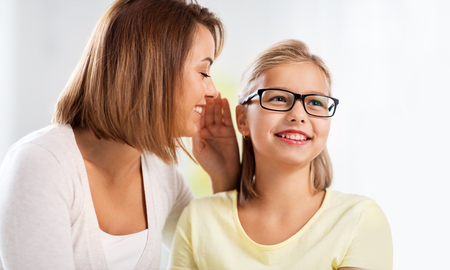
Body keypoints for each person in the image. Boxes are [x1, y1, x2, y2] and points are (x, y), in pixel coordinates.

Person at [0, 0, 240, 269]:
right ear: (154, 71)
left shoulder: (161, 175)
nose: (213, 91)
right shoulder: (42, 164)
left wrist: (224, 176)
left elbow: (216, 258)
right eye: (204, 72)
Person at [168, 39, 393, 270]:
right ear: (242, 120)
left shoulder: (359, 219)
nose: (298, 115)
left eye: (315, 102)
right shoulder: (198, 220)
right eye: (278, 98)